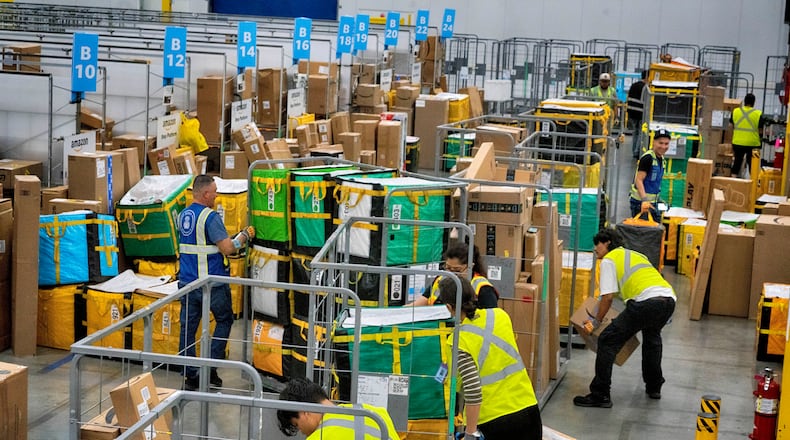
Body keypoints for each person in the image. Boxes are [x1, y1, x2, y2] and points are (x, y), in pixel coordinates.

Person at [573, 228, 676, 408]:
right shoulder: (637, 255)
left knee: (607, 340)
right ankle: (654, 386)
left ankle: (600, 394)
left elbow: (607, 297)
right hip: (668, 299)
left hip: (646, 302)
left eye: (597, 244)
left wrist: (596, 322)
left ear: (607, 243)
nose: (595, 248)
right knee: (652, 338)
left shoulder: (610, 259)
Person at [437, 277, 542, 439]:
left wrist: (470, 433)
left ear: (449, 307)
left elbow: (473, 391)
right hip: (528, 410)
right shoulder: (500, 315)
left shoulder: (459, 340)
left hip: (493, 421)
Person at [178, 175, 251, 391]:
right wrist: (244, 236)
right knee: (224, 320)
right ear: (205, 194)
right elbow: (227, 248)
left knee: (188, 329)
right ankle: (208, 369)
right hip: (211, 284)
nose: (217, 195)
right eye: (214, 191)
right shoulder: (210, 217)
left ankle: (190, 375)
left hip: (187, 283)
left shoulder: (183, 215)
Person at [276, 377, 400, 439]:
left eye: (297, 425)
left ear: (305, 412)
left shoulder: (320, 437)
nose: (302, 432)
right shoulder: (375, 412)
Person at [408, 242, 498, 308]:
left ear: (471, 266)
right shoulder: (440, 279)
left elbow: (489, 318)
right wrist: (403, 310)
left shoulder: (484, 289)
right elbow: (423, 300)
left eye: (457, 270)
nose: (451, 274)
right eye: (448, 268)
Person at [629, 128, 670, 220]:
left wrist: (658, 199)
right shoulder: (648, 158)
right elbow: (639, 180)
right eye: (660, 143)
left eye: (666, 144)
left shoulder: (661, 160)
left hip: (652, 203)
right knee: (642, 228)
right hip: (640, 203)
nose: (663, 146)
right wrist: (644, 200)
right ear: (654, 142)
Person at [730, 93, 767, 177]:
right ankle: (753, 182)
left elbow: (730, 126)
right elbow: (760, 130)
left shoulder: (736, 111)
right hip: (753, 144)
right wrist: (761, 139)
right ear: (754, 102)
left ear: (744, 101)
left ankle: (732, 180)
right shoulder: (758, 114)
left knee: (737, 163)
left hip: (737, 142)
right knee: (752, 165)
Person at [627, 70, 648, 159]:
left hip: (631, 112)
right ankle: (637, 151)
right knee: (640, 132)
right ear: (647, 77)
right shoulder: (646, 88)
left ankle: (634, 150)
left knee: (635, 131)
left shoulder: (633, 85)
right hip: (640, 113)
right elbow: (646, 101)